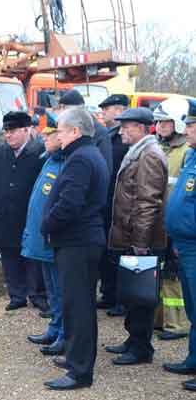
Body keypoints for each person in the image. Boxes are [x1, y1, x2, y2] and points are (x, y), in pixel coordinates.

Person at [41, 107, 109, 390]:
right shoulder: (87, 154)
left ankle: (80, 371)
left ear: (75, 131)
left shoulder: (80, 159)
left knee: (78, 308)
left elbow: (70, 204)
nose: (58, 135)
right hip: (81, 242)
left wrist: (47, 225)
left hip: (78, 243)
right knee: (79, 306)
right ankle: (76, 358)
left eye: (60, 130)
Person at [105, 107, 168, 365]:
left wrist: (140, 244)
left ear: (141, 128)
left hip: (141, 240)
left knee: (141, 296)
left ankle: (141, 348)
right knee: (133, 293)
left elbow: (147, 202)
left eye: (126, 126)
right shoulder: (140, 151)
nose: (121, 130)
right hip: (132, 236)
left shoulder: (150, 155)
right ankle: (134, 340)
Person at [0, 111, 47, 312]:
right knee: (9, 256)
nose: (8, 135)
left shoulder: (40, 153)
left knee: (32, 257)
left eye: (13, 131)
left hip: (29, 215)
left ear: (27, 130)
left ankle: (37, 294)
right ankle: (16, 295)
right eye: (6, 131)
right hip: (4, 214)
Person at [22, 114, 65, 355]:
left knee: (60, 289)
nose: (43, 138)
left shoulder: (64, 162)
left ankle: (63, 333)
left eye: (48, 134)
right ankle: (55, 327)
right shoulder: (49, 159)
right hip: (42, 239)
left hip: (53, 239)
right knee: (51, 288)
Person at [163, 99, 196, 392]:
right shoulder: (192, 157)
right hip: (184, 245)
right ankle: (193, 358)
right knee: (192, 307)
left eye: (191, 125)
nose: (186, 130)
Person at [153, 98, 191, 341]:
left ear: (177, 123)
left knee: (173, 275)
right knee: (159, 272)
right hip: (159, 222)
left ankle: (177, 323)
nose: (159, 126)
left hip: (176, 225)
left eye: (165, 122)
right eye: (157, 122)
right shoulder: (160, 148)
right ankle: (160, 318)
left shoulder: (186, 152)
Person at [97, 94, 130, 317]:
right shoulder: (109, 136)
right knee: (106, 251)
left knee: (120, 251)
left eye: (107, 109)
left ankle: (121, 298)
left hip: (120, 202)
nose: (104, 113)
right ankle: (108, 293)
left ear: (118, 111)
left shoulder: (125, 141)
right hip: (106, 201)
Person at [57, 89, 113, 174]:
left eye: (64, 108)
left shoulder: (100, 131)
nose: (60, 112)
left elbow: (105, 169)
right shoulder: (71, 125)